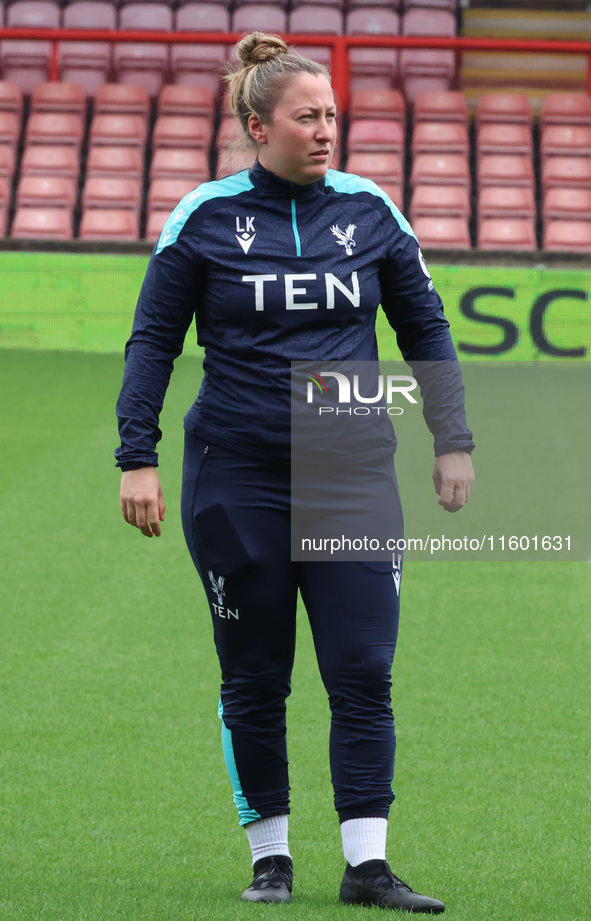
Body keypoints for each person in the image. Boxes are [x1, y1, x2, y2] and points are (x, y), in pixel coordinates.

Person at [116, 31, 474, 913]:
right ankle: (269, 856)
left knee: (361, 667)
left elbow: (424, 331)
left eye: (332, 116)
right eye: (307, 116)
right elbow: (154, 341)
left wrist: (451, 437)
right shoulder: (202, 216)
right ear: (255, 124)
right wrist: (138, 455)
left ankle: (367, 865)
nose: (325, 131)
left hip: (348, 470)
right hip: (235, 474)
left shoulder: (371, 212)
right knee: (254, 674)